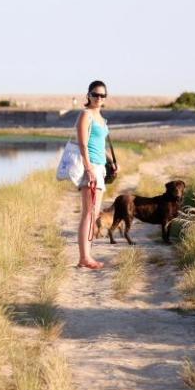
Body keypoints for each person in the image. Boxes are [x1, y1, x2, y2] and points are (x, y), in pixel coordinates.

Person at [75, 80, 115, 269]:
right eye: (95, 94)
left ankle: (87, 256)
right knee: (88, 213)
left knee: (93, 212)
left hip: (100, 167)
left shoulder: (101, 118)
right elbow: (83, 144)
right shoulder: (86, 114)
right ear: (88, 95)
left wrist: (112, 161)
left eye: (102, 95)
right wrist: (89, 168)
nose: (98, 98)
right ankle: (84, 257)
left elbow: (101, 145)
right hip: (90, 168)